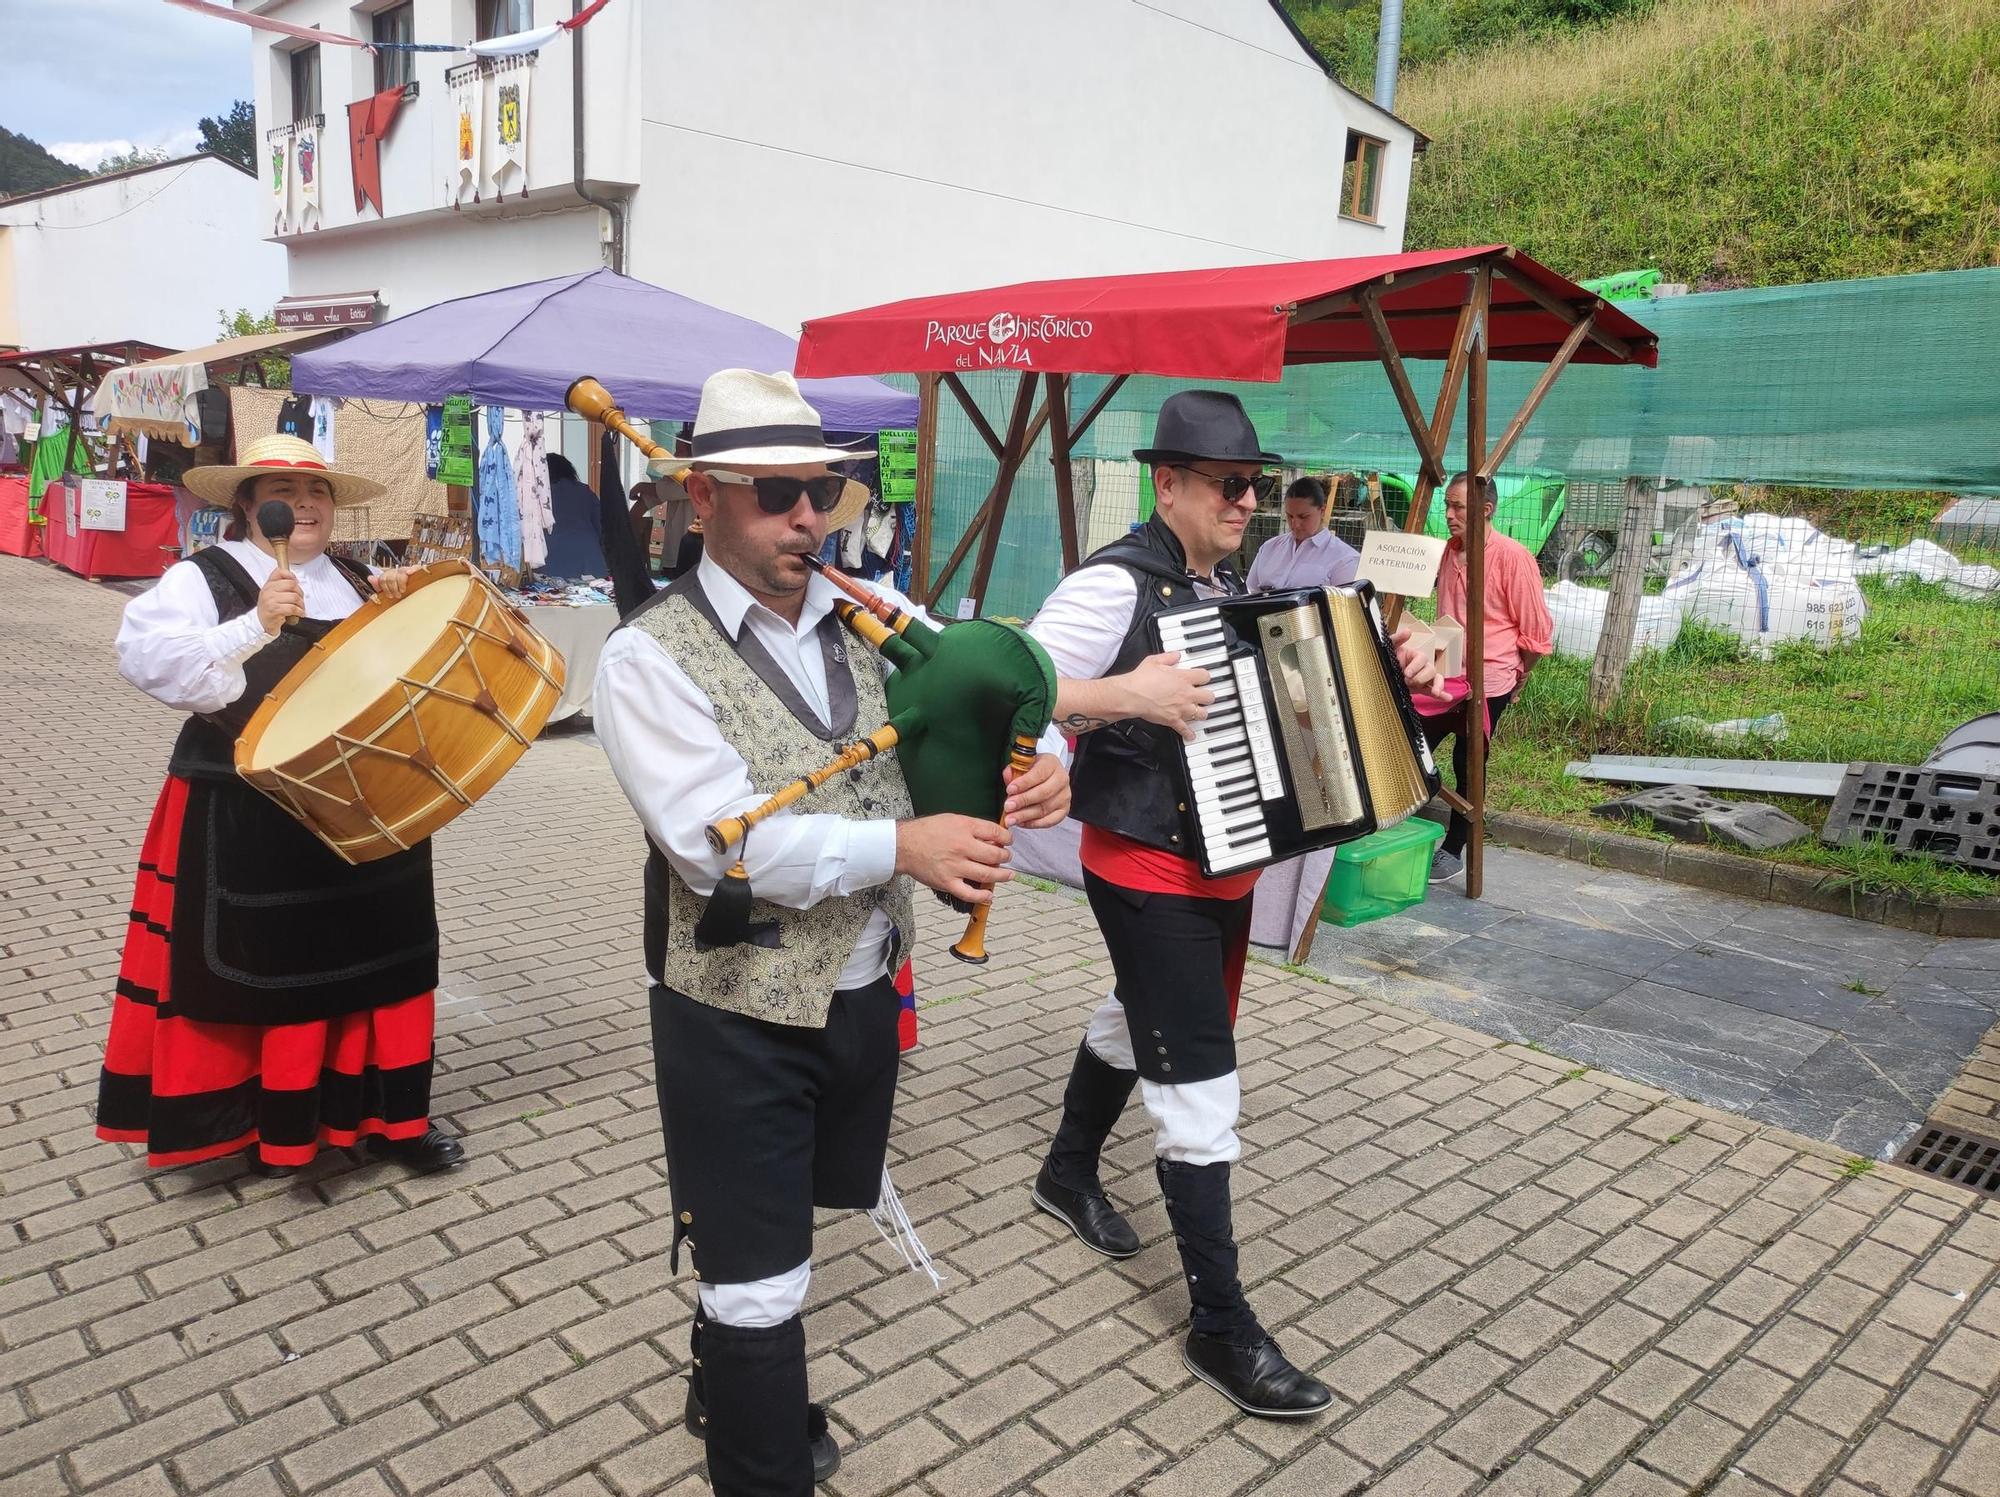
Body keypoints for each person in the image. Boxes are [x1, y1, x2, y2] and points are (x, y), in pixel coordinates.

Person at [592, 370, 1069, 1495]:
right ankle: (754, 1441)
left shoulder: (873, 616)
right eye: (776, 492)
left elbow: (986, 696)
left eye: (823, 490)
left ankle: (727, 1364)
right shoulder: (644, 657)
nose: (808, 516)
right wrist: (903, 849)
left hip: (859, 993)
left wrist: (1038, 765)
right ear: (700, 497)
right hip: (729, 1015)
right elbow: (714, 848)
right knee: (762, 1281)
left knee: (784, 1232)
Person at [1022, 391, 1440, 1420]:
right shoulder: (1110, 585)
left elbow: (1304, 697)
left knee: (1142, 1016)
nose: (1246, 501)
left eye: (1253, 485)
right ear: (1166, 483)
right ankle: (1220, 1325)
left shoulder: (1226, 584)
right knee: (1201, 1091)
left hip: (1225, 867)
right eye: (1226, 484)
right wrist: (1120, 701)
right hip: (1144, 869)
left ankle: (1065, 1171)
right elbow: (1011, 679)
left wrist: (1410, 652)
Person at [98, 435, 464, 1176]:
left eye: (318, 494)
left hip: (365, 804)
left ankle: (395, 1122)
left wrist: (410, 612)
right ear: (246, 503)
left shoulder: (361, 579)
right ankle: (269, 1126)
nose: (304, 506)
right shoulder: (204, 577)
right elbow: (145, 658)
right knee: (270, 962)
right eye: (284, 492)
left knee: (384, 960)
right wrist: (253, 624)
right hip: (247, 806)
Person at [1426, 471, 1554, 884]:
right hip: (1444, 670)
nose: (1448, 514)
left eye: (1458, 507)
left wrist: (1519, 678)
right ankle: (1403, 826)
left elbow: (1536, 632)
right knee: (1412, 745)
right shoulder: (1448, 552)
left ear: (1487, 509)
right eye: (1447, 505)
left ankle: (1455, 846)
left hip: (1489, 677)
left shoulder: (1513, 557)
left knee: (1469, 760)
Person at [1243, 476, 1359, 591]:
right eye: (1290, 516)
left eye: (1303, 517)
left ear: (1322, 511)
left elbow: (1345, 607)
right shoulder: (1269, 548)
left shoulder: (1344, 559)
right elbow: (1249, 592)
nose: (1295, 524)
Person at [541, 452, 610, 578]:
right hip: (589, 560)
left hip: (551, 561)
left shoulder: (539, 495)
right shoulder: (584, 491)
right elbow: (602, 526)